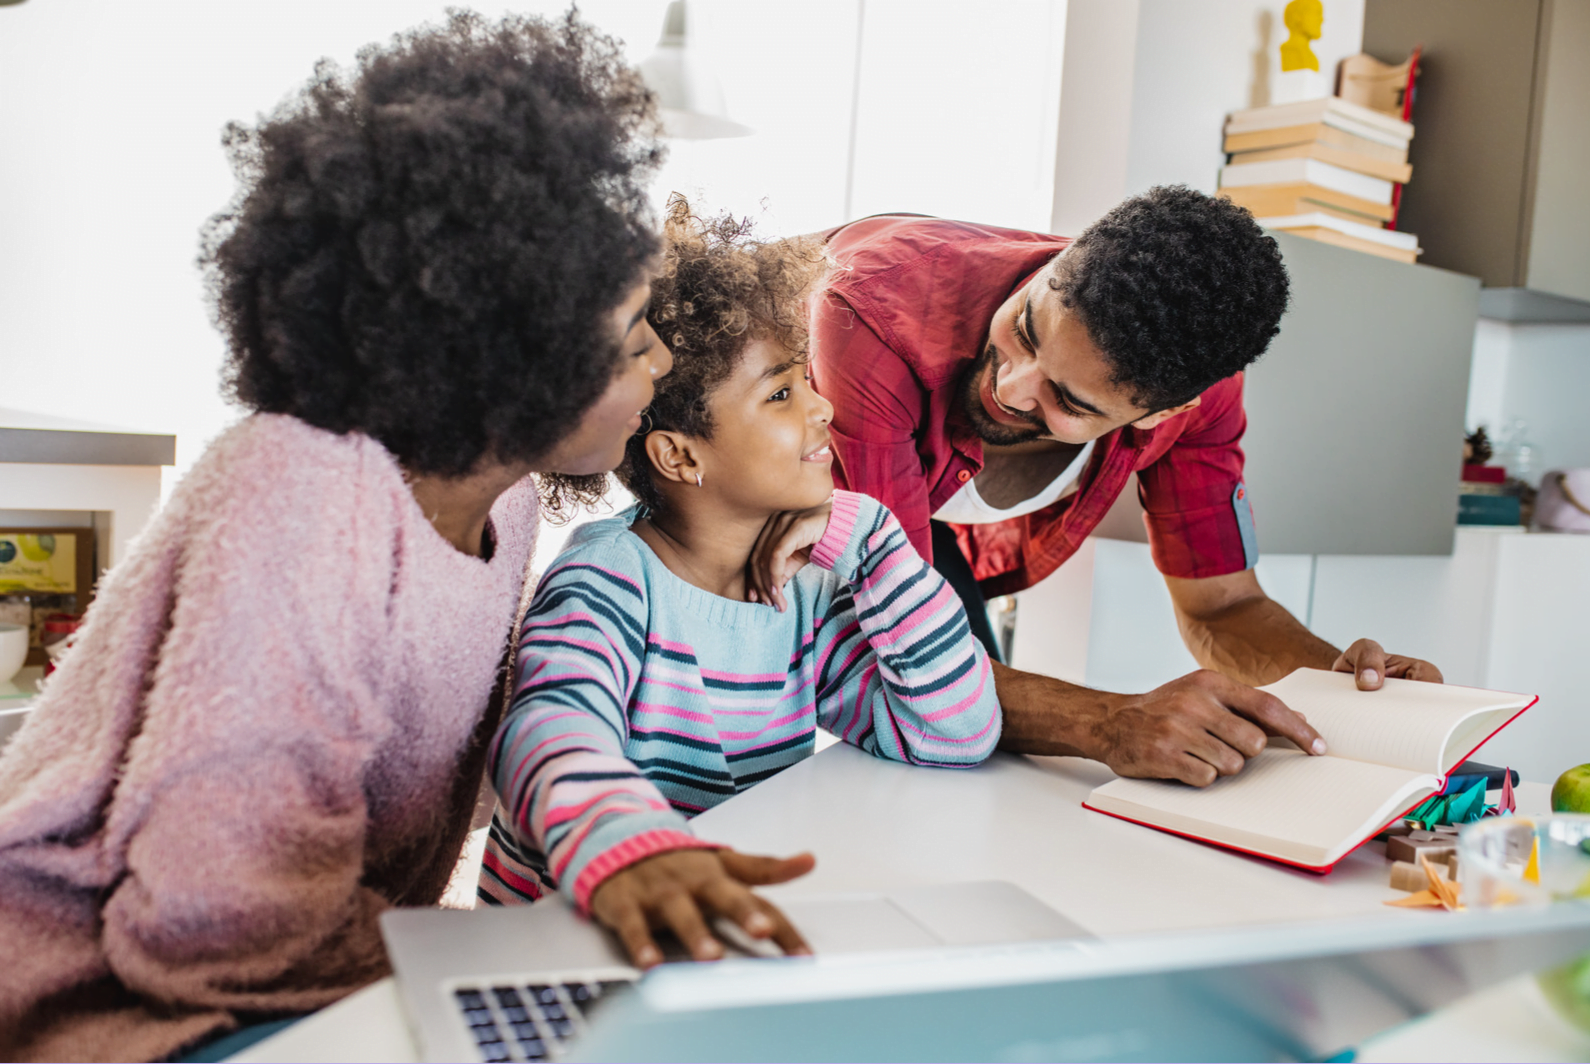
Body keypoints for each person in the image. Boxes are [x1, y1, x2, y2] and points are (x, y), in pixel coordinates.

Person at [0, 13, 673, 1062]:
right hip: (100, 1001)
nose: (664, 361)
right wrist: (505, 956)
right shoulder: (301, 488)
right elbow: (207, 920)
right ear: (516, 351)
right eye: (635, 337)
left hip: (301, 980)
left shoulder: (508, 507)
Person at [477, 201, 1001, 966]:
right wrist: (631, 848)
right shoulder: (609, 583)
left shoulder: (809, 585)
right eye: (782, 394)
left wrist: (875, 539)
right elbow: (548, 729)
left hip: (707, 940)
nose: (824, 407)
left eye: (808, 382)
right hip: (564, 948)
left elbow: (954, 733)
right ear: (680, 457)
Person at [809, 187, 1443, 790]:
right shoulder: (874, 315)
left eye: (1065, 400)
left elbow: (1221, 607)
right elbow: (900, 648)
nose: (1009, 389)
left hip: (908, 535)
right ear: (1059, 262)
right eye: (1026, 330)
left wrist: (1343, 690)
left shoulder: (1197, 394)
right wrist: (1108, 723)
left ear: (1164, 414)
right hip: (732, 496)